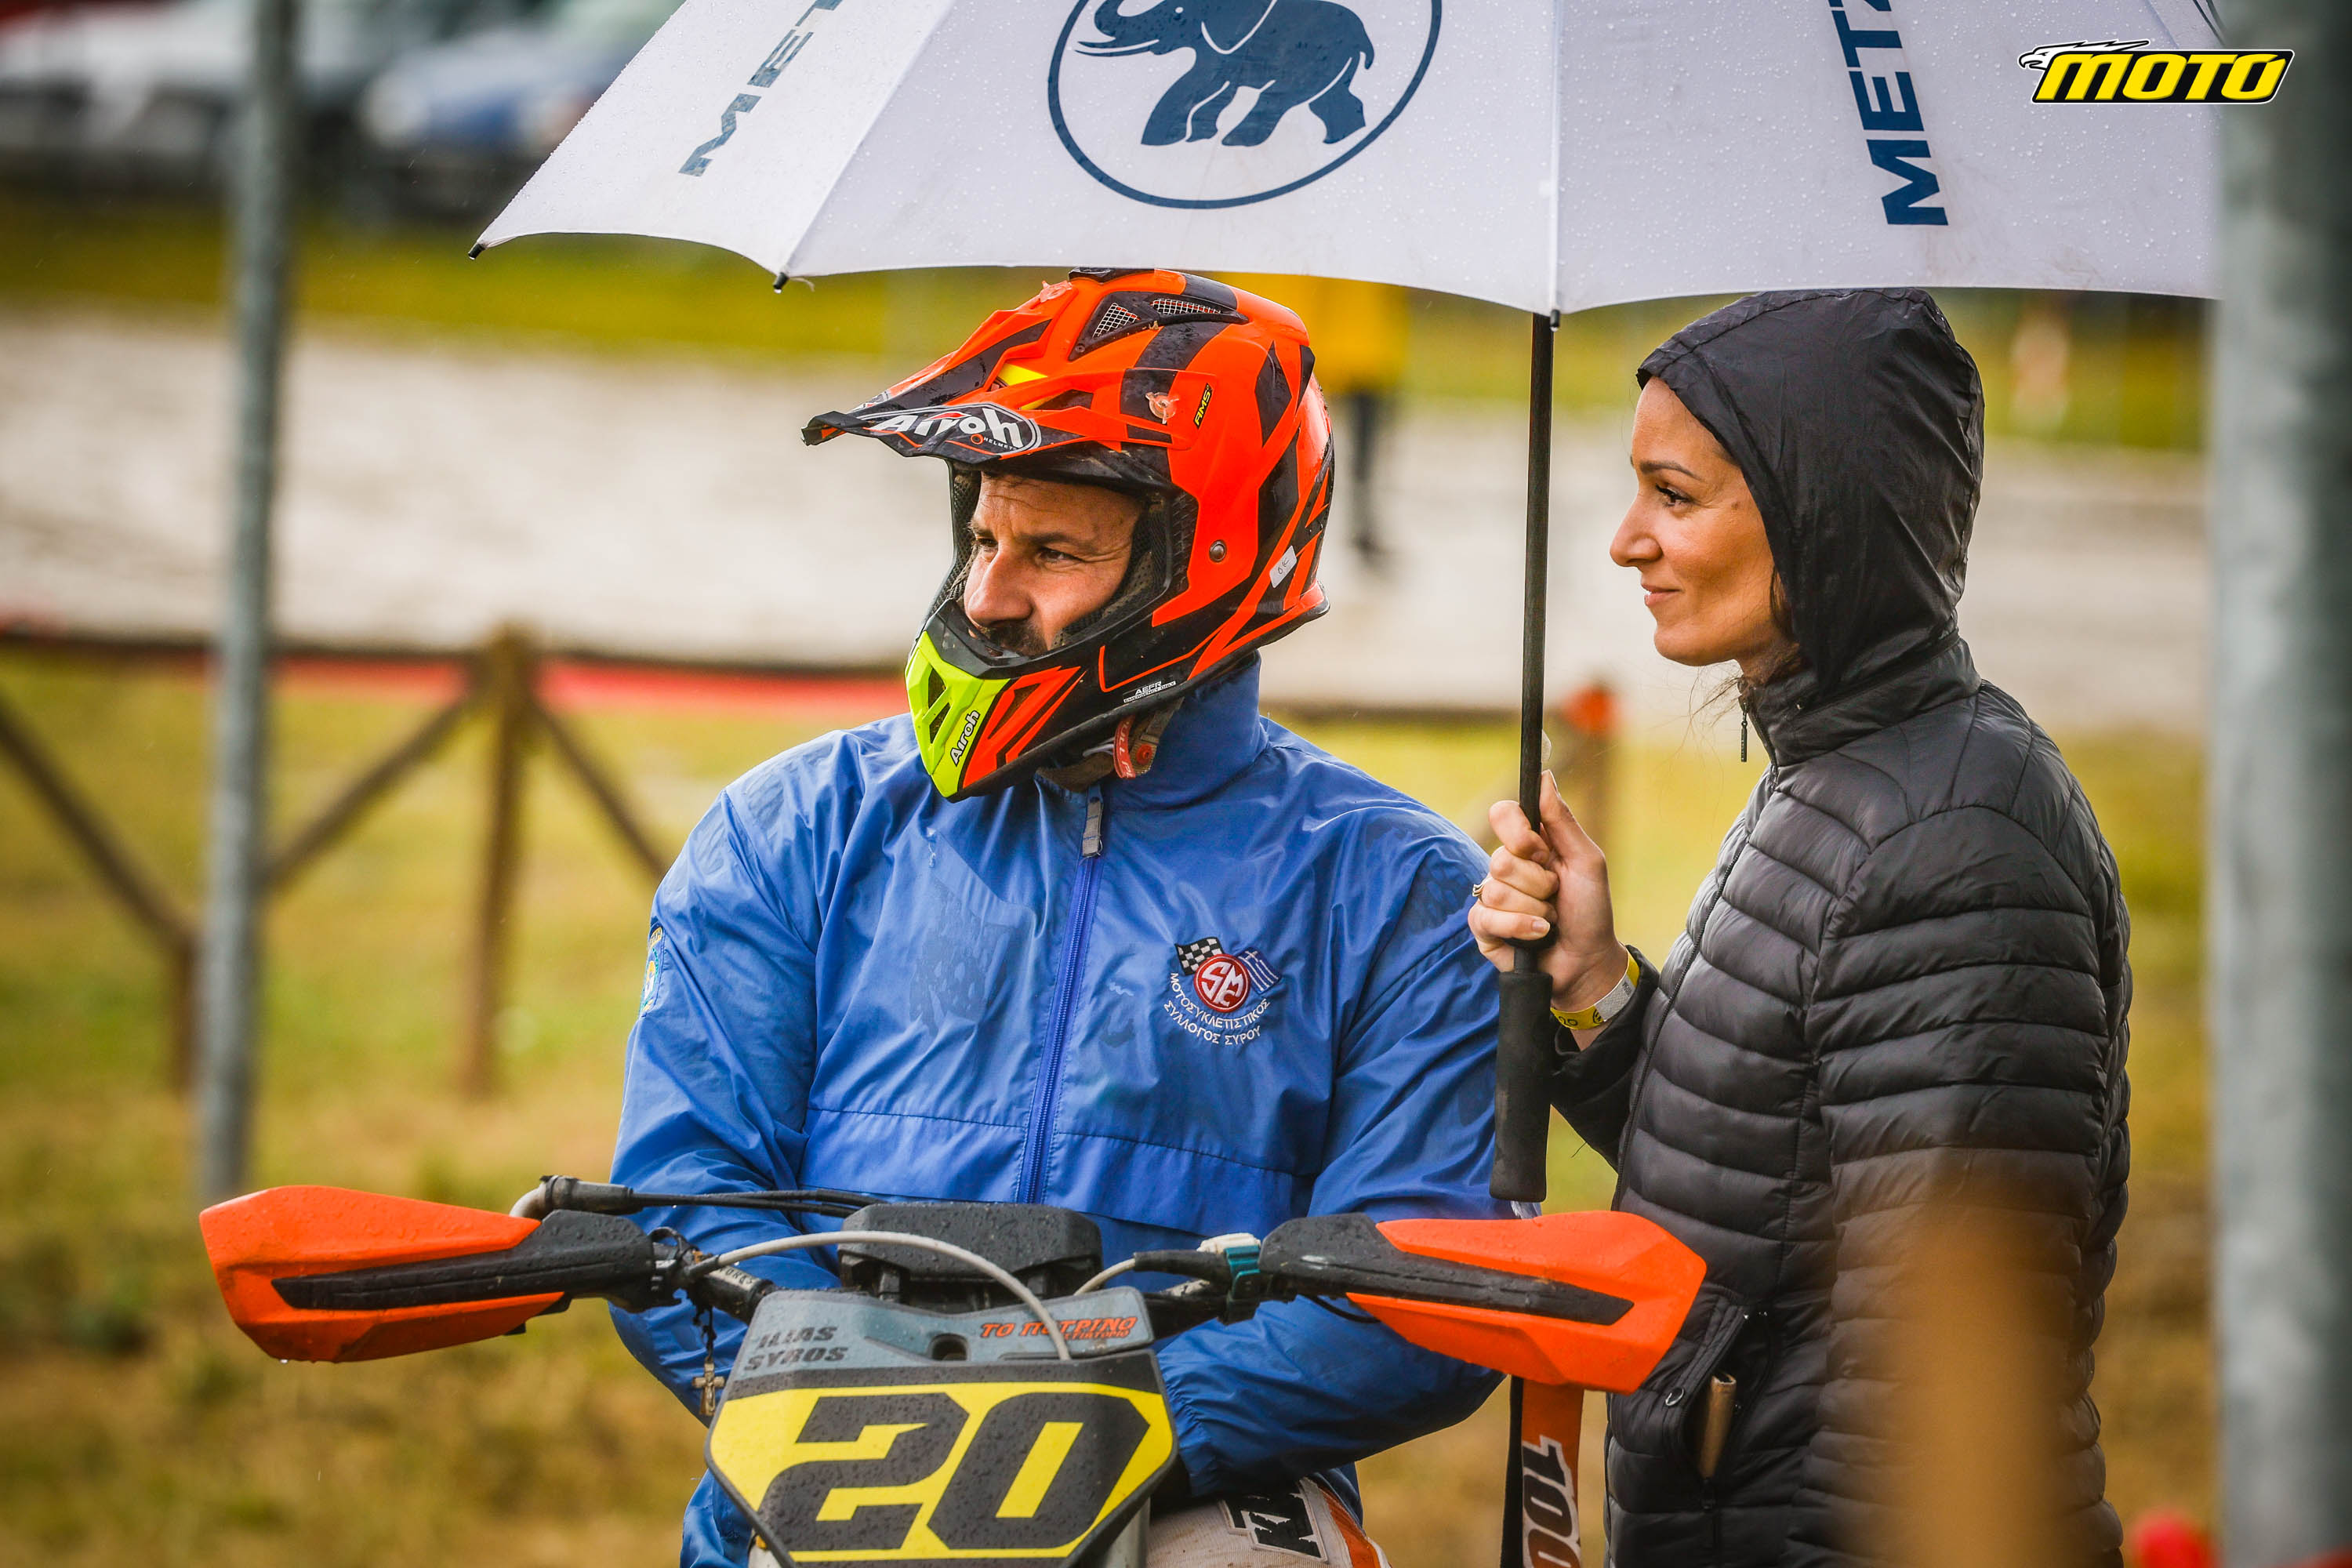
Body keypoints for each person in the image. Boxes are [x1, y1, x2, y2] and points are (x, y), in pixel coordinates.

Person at [611, 267, 1506, 1567]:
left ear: (1204, 565)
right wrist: (876, 1420)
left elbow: (1414, 1284)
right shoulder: (791, 829)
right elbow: (683, 1202)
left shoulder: (1397, 893)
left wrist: (1081, 1432)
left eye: (1052, 552)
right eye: (984, 538)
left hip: (1198, 1485)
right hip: (823, 1467)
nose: (985, 596)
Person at [1469, 289, 2131, 1565]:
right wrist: (1596, 990)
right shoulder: (1841, 780)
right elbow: (1762, 1192)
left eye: (1673, 495)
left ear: (1824, 513)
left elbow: (1933, 1383)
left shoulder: (1953, 837)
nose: (1625, 541)